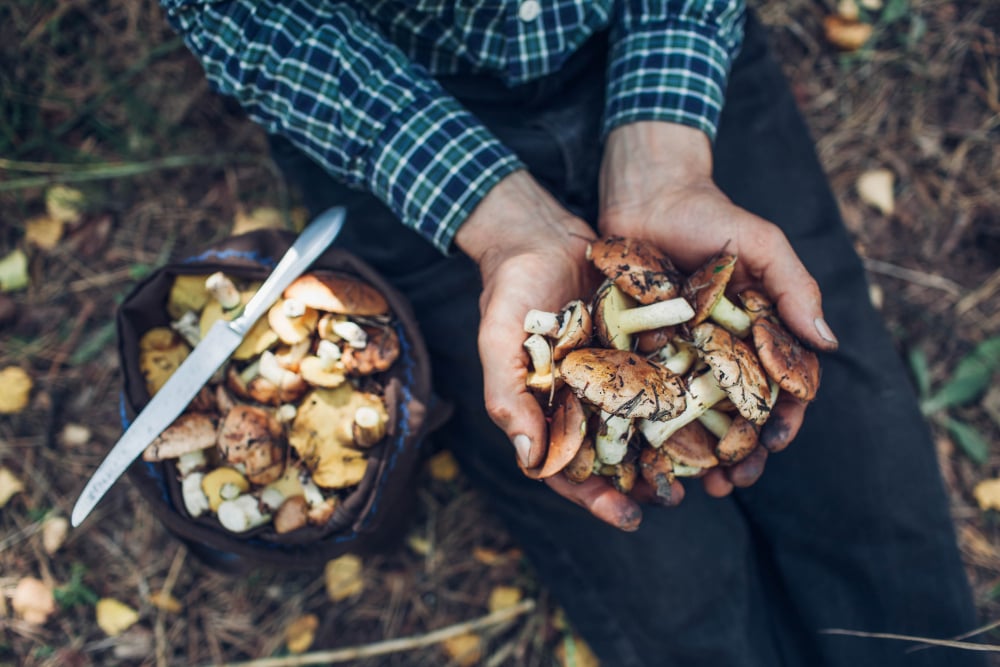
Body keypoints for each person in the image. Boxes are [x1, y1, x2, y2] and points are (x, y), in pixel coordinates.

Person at [159, 1, 988, 664]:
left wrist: (663, 143)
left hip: (663, 47)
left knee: (881, 518)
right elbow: (243, 14)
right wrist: (500, 218)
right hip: (391, 118)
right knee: (677, 596)